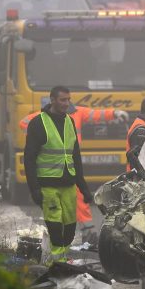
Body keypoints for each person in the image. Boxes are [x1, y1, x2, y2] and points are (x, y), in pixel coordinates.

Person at [20, 104, 127, 243]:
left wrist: (114, 113)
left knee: (76, 195)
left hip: (68, 161)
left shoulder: (78, 112)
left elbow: (96, 114)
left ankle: (85, 231)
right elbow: (23, 123)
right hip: (54, 165)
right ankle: (68, 233)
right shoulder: (46, 117)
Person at [24, 86, 93, 260]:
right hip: (48, 186)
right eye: (63, 100)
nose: (66, 103)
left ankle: (63, 258)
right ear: (52, 100)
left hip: (68, 184)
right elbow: (29, 159)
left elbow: (75, 157)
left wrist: (83, 188)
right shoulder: (38, 123)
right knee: (54, 224)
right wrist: (34, 189)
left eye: (68, 99)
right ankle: (56, 261)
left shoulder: (70, 121)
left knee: (70, 225)